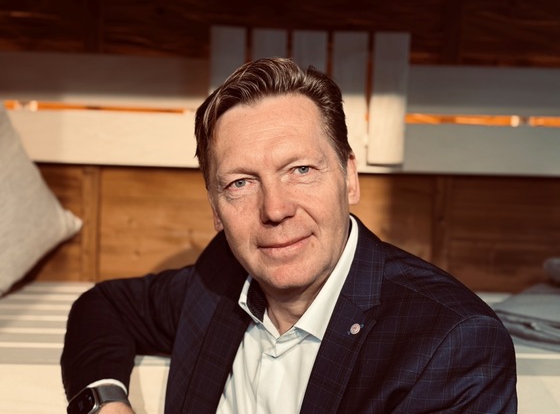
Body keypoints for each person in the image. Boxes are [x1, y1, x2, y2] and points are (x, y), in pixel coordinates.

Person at [61, 58, 517, 414]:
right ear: (215, 208)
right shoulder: (218, 277)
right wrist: (105, 402)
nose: (275, 209)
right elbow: (104, 306)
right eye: (241, 182)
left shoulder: (453, 343)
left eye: (300, 170)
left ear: (349, 178)